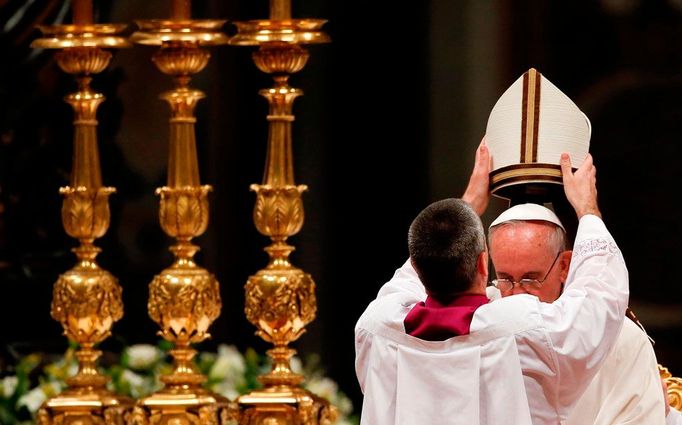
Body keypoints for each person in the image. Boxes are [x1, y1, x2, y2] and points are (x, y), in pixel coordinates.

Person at [354, 150, 629, 424]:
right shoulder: (524, 329)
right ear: (484, 264)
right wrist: (587, 209)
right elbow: (600, 296)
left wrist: (467, 205)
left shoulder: (375, 328)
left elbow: (417, 267)